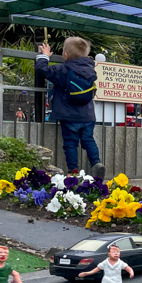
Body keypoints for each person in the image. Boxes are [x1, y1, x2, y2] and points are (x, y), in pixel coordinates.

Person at [35, 37, 104, 179]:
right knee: (88, 139)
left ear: (65, 55)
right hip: (87, 115)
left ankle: (73, 171)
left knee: (70, 143)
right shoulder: (90, 69)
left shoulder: (63, 69)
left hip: (68, 114)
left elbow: (42, 69)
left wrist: (44, 56)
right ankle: (96, 163)